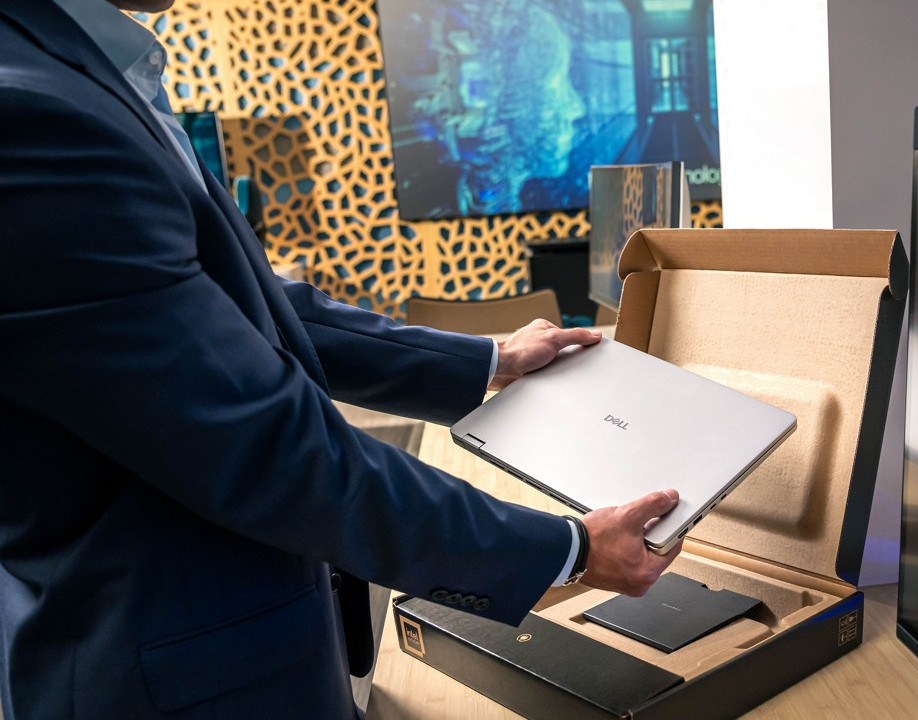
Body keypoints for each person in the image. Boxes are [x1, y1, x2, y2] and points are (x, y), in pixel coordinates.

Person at [0, 1, 682, 718]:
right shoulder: (31, 111)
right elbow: (274, 450)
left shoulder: (86, 72)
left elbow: (244, 306)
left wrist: (488, 359)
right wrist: (568, 549)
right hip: (174, 677)